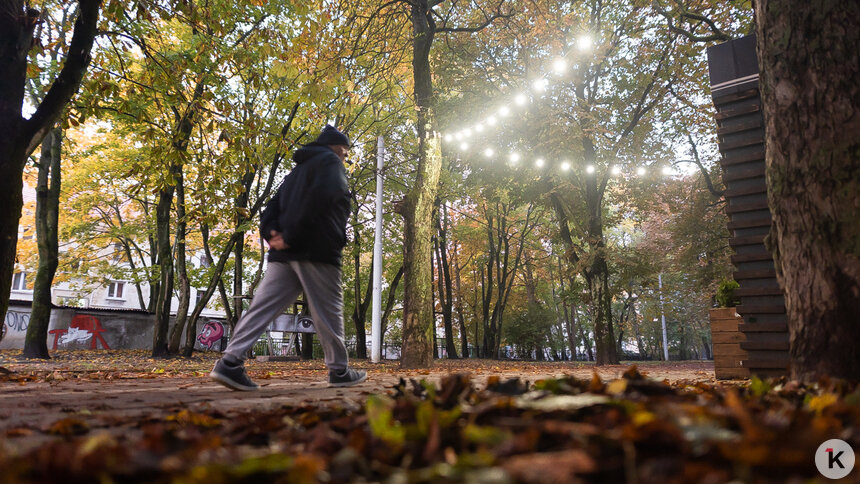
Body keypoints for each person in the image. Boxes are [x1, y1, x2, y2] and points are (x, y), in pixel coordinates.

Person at [210, 125, 367, 391]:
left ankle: (230, 362)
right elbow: (322, 201)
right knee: (329, 310)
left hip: (284, 252)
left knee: (263, 307)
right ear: (334, 149)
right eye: (343, 153)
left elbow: (273, 205)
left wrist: (272, 234)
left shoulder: (297, 172)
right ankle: (339, 371)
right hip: (316, 249)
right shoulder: (330, 163)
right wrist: (293, 235)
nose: (344, 159)